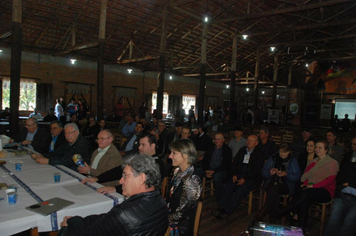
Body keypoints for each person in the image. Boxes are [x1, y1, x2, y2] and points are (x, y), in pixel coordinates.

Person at [58, 154, 168, 236]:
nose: (121, 181)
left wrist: (64, 230)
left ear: (141, 178)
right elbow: (105, 220)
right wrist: (77, 220)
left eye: (125, 176)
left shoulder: (125, 213)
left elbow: (90, 233)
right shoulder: (160, 201)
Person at [276, 141, 339, 235]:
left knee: (305, 194)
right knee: (303, 198)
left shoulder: (332, 163)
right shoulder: (314, 162)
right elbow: (306, 176)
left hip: (325, 191)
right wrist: (305, 184)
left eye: (320, 148)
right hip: (310, 189)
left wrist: (312, 185)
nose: (317, 149)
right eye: (316, 147)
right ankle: (302, 229)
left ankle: (286, 210)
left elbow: (329, 181)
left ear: (326, 150)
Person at [212, 135, 264, 218]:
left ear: (256, 143)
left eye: (251, 141)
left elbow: (256, 170)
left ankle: (228, 210)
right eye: (248, 140)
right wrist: (234, 174)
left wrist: (245, 179)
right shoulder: (242, 150)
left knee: (239, 190)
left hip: (252, 178)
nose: (248, 142)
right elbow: (235, 163)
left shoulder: (259, 153)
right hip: (239, 175)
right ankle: (221, 208)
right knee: (229, 186)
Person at [255, 143, 300, 222]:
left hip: (286, 184)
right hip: (272, 182)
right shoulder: (273, 158)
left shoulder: (293, 161)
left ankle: (264, 211)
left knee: (274, 189)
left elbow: (296, 178)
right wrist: (270, 172)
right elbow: (264, 173)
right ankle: (273, 216)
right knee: (274, 190)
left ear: (289, 152)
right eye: (280, 152)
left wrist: (286, 174)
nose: (282, 154)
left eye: (284, 152)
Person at [167, 139, 202, 235]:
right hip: (171, 216)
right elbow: (170, 199)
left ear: (185, 155)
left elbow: (180, 215)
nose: (170, 156)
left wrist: (161, 219)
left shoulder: (192, 181)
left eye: (174, 153)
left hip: (180, 227)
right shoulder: (178, 172)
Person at [324, 137, 356, 236]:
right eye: (353, 144)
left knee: (348, 224)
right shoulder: (348, 156)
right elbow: (341, 176)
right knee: (332, 222)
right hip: (343, 194)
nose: (353, 146)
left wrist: (350, 183)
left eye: (355, 144)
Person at [203, 133, 232, 202]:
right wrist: (206, 170)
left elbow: (226, 164)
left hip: (220, 170)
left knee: (217, 177)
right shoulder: (210, 148)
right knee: (196, 172)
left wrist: (214, 171)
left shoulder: (227, 150)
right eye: (215, 139)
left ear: (223, 140)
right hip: (209, 169)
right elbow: (205, 160)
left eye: (218, 139)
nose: (216, 140)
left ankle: (221, 199)